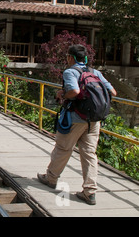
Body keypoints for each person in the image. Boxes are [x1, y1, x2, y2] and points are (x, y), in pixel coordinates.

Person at [37, 44, 117, 205]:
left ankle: (51, 178)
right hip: (94, 120)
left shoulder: (70, 72)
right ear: (85, 58)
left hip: (75, 118)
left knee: (63, 148)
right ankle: (90, 191)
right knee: (89, 154)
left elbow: (74, 91)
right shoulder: (95, 73)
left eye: (67, 56)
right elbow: (113, 92)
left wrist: (62, 94)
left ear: (71, 58)